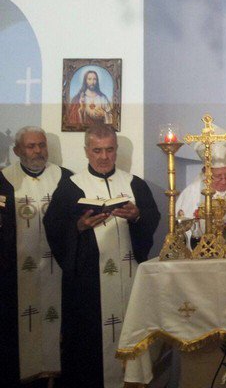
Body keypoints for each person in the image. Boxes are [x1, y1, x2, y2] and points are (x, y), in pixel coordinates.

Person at [43, 124, 160, 388]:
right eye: (97, 150)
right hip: (88, 286)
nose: (104, 156)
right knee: (88, 349)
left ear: (116, 150)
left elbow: (152, 218)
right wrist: (79, 226)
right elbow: (54, 227)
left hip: (129, 281)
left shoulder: (133, 184)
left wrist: (137, 216)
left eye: (109, 150)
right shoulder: (71, 186)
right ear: (87, 151)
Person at [0, 127, 72, 386]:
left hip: (58, 271)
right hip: (16, 273)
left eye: (41, 145)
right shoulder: (4, 180)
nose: (38, 151)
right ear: (18, 150)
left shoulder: (65, 179)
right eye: (31, 146)